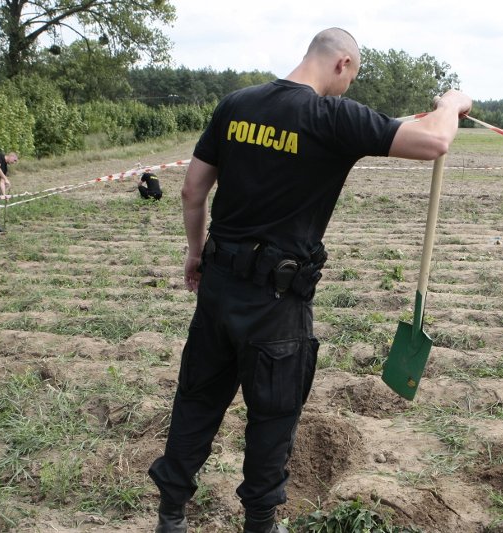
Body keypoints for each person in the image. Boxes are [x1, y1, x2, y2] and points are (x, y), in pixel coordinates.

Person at [148, 27, 471, 533]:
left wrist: (195, 253)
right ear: (342, 64)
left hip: (217, 286)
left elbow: (192, 191)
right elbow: (434, 141)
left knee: (196, 400)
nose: (348, 87)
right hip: (277, 301)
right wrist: (452, 102)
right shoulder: (331, 117)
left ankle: (170, 515)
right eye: (352, 77)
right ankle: (259, 522)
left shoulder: (236, 105)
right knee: (273, 417)